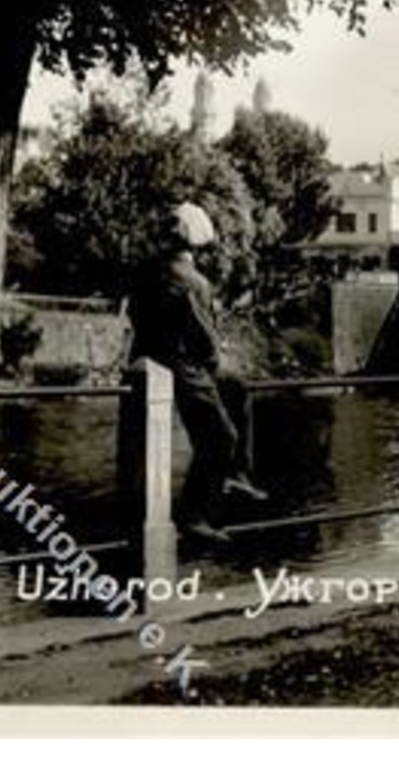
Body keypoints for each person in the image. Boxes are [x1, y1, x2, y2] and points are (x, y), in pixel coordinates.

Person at [127, 202, 267, 545]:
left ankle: (236, 473)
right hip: (182, 365)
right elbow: (202, 336)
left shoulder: (146, 272)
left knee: (234, 386)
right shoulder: (194, 282)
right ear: (195, 245)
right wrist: (214, 358)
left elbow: (134, 314)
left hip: (149, 358)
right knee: (220, 437)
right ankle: (194, 513)